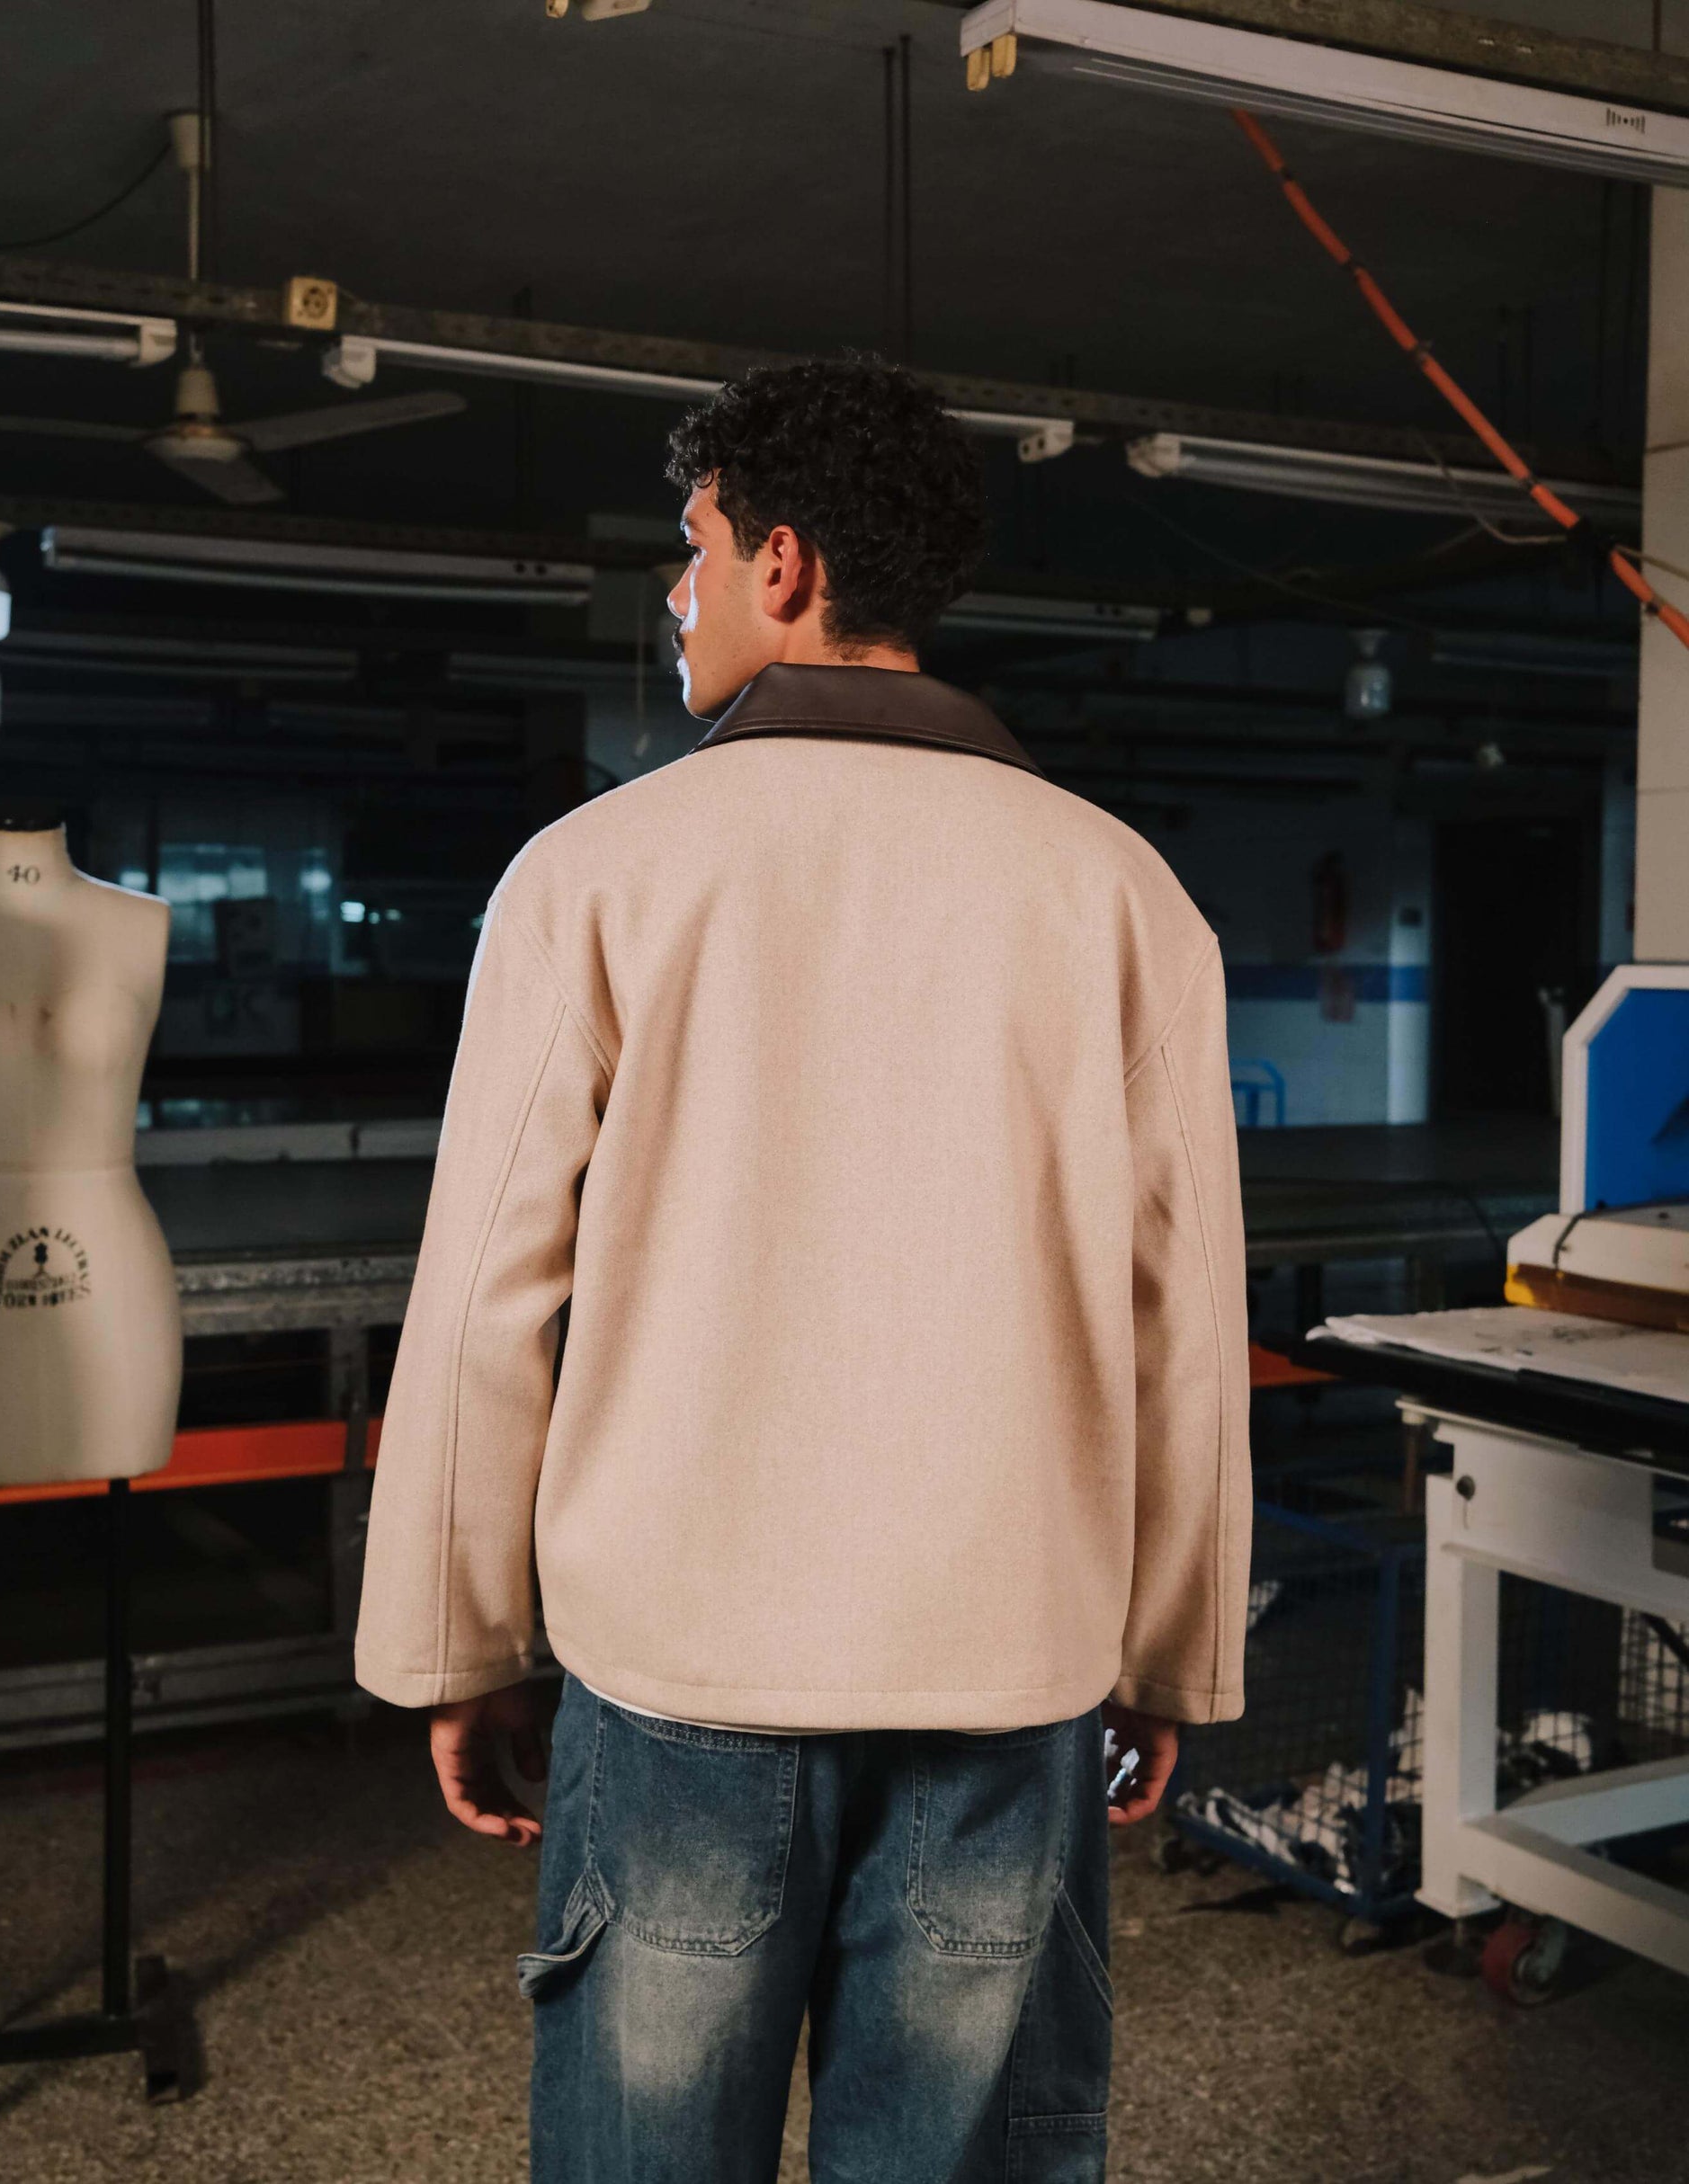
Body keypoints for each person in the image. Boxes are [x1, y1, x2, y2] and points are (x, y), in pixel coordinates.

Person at [354, 355, 1251, 2182]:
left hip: (681, 1668)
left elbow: (481, 1307)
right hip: (1006, 1669)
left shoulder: (596, 875)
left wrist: (453, 1638)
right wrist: (1172, 1648)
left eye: (689, 554)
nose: (673, 599)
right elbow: (1186, 1326)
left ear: (781, 563)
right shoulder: (1119, 894)